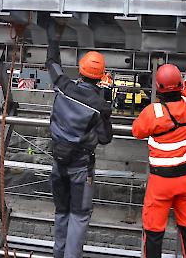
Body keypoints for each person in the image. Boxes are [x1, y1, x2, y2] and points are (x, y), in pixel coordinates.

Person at [132, 15, 186, 258]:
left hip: (161, 183)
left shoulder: (153, 113)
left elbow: (137, 131)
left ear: (158, 88)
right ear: (181, 84)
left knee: (153, 232)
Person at [46, 23, 113, 258]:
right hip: (80, 170)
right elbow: (105, 138)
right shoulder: (99, 106)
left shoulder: (63, 87)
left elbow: (52, 64)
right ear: (101, 77)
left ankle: (58, 254)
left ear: (80, 69)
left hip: (57, 163)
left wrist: (54, 37)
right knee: (79, 216)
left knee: (61, 212)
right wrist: (106, 98)